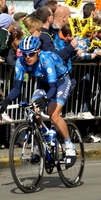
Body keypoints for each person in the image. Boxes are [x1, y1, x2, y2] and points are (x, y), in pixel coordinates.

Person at [0, 36, 77, 166]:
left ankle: (69, 146)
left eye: (31, 53)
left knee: (53, 114)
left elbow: (53, 87)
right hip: (44, 83)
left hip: (61, 82)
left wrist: (46, 99)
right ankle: (43, 139)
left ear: (38, 52)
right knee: (33, 110)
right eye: (24, 54)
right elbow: (17, 88)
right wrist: (6, 100)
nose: (27, 57)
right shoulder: (20, 62)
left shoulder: (46, 60)